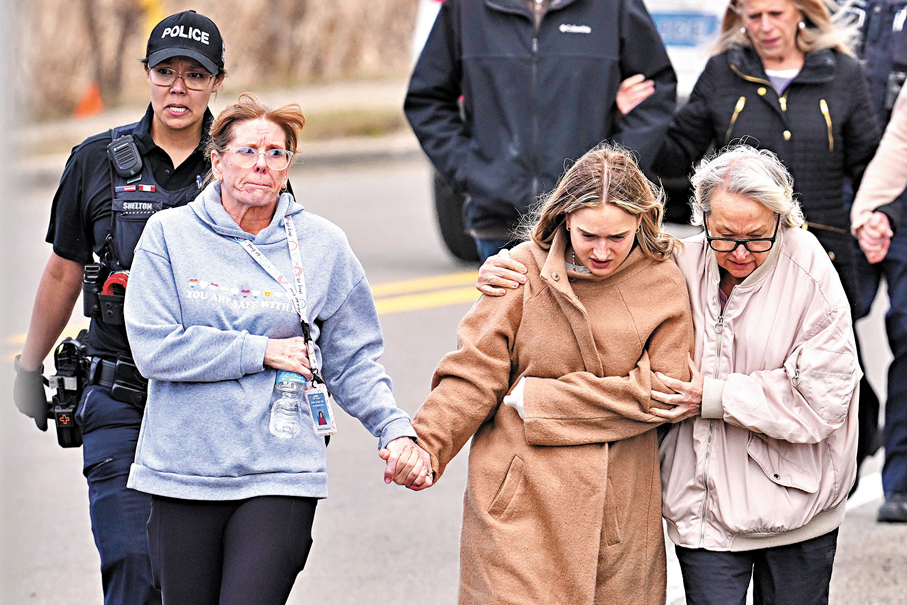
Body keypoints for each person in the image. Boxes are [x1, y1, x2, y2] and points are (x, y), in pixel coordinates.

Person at [478, 145, 860, 604]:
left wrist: (716, 397)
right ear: (702, 218)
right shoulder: (678, 262)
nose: (739, 252)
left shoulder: (811, 272)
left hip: (797, 509)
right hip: (703, 512)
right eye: (723, 236)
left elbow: (822, 398)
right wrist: (515, 263)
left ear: (783, 220)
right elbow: (596, 267)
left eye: (757, 237)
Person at [121, 93, 430, 603]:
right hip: (184, 470)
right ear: (216, 160)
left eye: (276, 153)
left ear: (288, 167)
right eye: (246, 151)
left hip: (281, 467)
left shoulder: (323, 244)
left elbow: (353, 359)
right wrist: (259, 351)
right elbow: (155, 348)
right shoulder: (169, 236)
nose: (261, 164)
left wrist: (393, 429)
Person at [407, 144, 694, 603]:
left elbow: (663, 390)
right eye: (588, 235)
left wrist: (537, 403)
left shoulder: (664, 280)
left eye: (617, 237)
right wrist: (426, 443)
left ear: (642, 222)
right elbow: (474, 372)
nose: (601, 251)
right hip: (517, 504)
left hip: (617, 512)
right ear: (563, 217)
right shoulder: (519, 270)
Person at [12, 11, 227, 604]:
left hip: (216, 402)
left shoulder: (243, 165)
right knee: (135, 566)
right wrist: (29, 366)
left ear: (217, 81)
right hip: (119, 395)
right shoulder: (96, 161)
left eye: (194, 74)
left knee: (201, 584)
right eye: (165, 72)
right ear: (147, 75)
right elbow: (62, 268)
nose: (178, 88)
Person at [629, 0, 882, 489]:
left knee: (832, 376)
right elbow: (676, 153)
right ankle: (754, 488)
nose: (764, 27)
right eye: (753, 15)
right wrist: (636, 117)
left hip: (822, 256)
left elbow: (869, 162)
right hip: (738, 260)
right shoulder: (723, 73)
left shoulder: (843, 75)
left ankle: (831, 483)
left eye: (776, 14)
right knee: (752, 366)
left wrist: (877, 215)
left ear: (801, 14)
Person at [404, 0, 677, 261]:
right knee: (509, 311)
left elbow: (654, 94)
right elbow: (427, 100)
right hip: (500, 225)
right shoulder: (466, 7)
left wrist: (612, 179)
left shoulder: (614, 5)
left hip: (588, 225)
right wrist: (473, 171)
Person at [847, 0, 907, 522]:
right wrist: (867, 209)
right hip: (852, 184)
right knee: (840, 319)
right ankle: (862, 434)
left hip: (892, 192)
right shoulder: (849, 10)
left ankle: (900, 480)